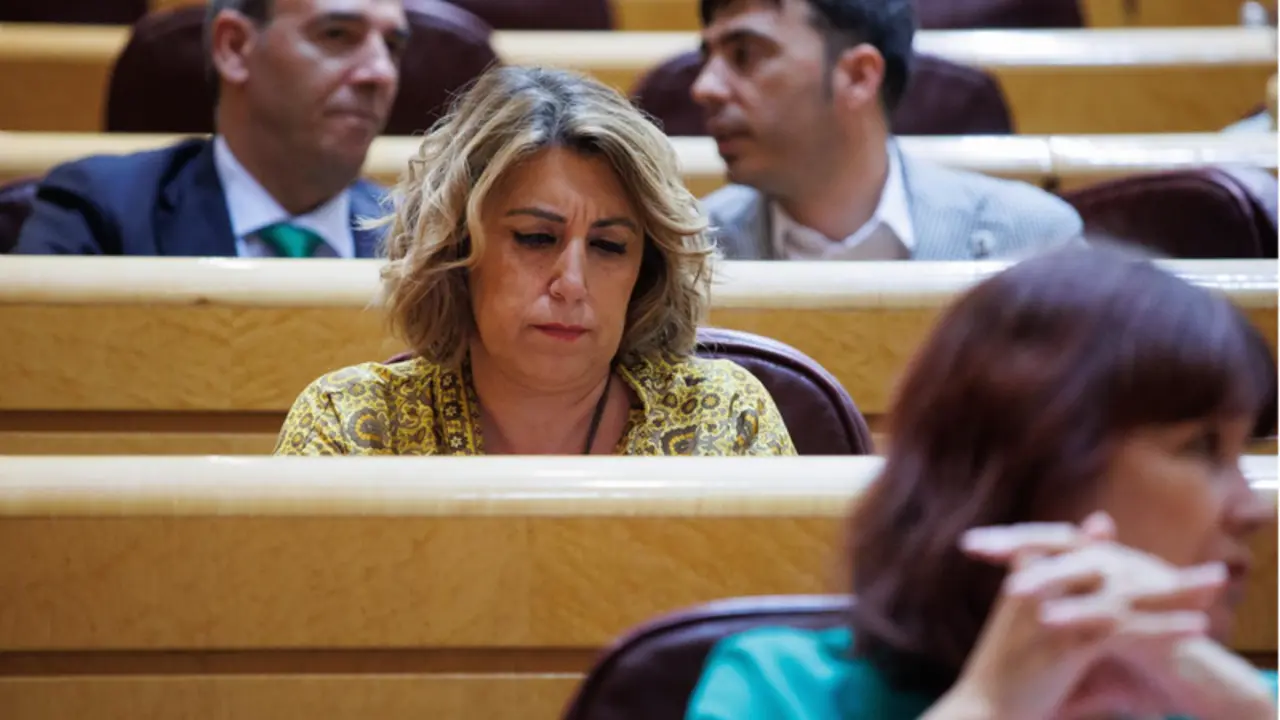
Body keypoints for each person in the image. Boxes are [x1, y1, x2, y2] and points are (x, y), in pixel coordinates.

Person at [687, 245, 1277, 718]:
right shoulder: (782, 693)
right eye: (1201, 448)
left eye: (1242, 450)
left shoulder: (1248, 702)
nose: (1254, 510)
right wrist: (989, 709)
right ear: (1038, 461)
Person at [274, 66, 796, 456]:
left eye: (609, 246)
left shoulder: (727, 421)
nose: (571, 283)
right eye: (535, 238)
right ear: (457, 248)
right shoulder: (349, 427)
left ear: (646, 273)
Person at [692, 0, 1084, 261]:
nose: (704, 87)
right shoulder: (686, 258)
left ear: (859, 76)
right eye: (708, 57)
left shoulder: (1033, 243)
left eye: (744, 55)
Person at [14, 0, 408, 257]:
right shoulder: (99, 212)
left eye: (391, 45)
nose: (379, 73)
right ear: (234, 48)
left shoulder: (419, 244)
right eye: (337, 35)